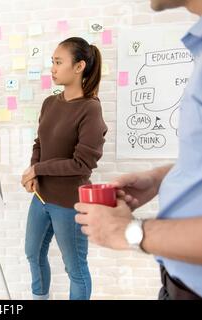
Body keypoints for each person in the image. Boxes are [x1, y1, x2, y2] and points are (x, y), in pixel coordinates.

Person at [74, 0, 202, 300]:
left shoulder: (90, 109)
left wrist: (129, 232)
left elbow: (81, 158)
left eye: (58, 61)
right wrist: (159, 179)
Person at [21, 37, 108, 300]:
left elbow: (82, 164)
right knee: (32, 253)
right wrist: (32, 170)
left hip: (69, 203)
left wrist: (38, 169)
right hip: (41, 197)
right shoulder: (50, 102)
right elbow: (40, 142)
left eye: (59, 62)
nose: (53, 68)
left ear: (79, 66)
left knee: (75, 269)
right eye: (52, 62)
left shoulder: (90, 110)